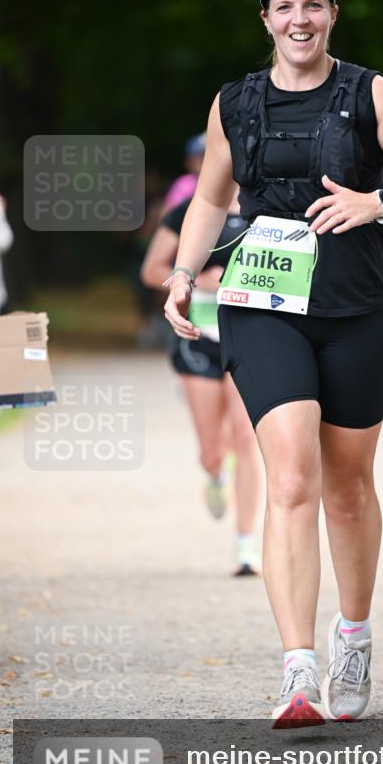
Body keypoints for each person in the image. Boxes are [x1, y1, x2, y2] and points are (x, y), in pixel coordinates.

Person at [163, 0, 383, 726]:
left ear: (331, 14)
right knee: (290, 475)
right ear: (264, 18)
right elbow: (210, 197)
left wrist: (378, 202)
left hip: (355, 308)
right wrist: (184, 272)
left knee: (347, 485)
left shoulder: (369, 93)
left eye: (313, 6)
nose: (299, 19)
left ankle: (351, 637)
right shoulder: (234, 102)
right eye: (284, 7)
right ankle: (297, 671)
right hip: (261, 305)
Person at [141, 195, 263, 575]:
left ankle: (246, 546)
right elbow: (151, 270)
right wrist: (195, 281)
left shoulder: (270, 204)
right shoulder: (188, 210)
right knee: (212, 450)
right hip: (198, 338)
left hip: (250, 337)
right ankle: (215, 472)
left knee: (246, 438)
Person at [161, 133, 207, 215]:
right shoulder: (185, 184)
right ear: (188, 163)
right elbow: (168, 214)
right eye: (199, 157)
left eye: (205, 156)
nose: (203, 161)